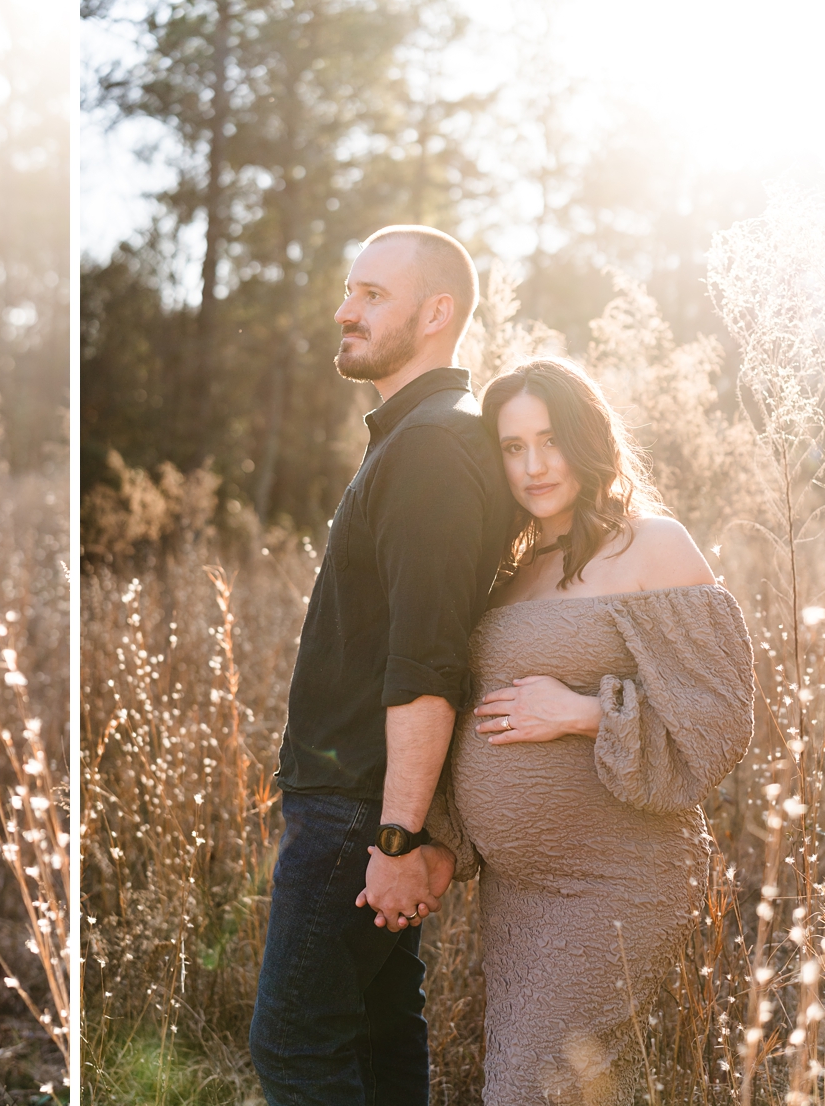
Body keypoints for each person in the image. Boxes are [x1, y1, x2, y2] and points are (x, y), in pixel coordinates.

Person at [419, 356, 753, 1103]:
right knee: (545, 1084)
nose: (534, 466)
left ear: (588, 439)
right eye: (512, 447)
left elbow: (720, 715)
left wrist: (582, 711)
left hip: (615, 881)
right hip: (518, 893)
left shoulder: (651, 545)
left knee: (526, 1091)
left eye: (550, 440)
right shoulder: (509, 567)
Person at [248, 225, 515, 1104]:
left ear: (438, 314)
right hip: (363, 797)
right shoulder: (418, 438)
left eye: (371, 295)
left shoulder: (434, 448)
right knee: (376, 1033)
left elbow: (426, 660)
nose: (344, 310)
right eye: (350, 291)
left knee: (296, 1044)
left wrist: (398, 837)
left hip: (360, 803)